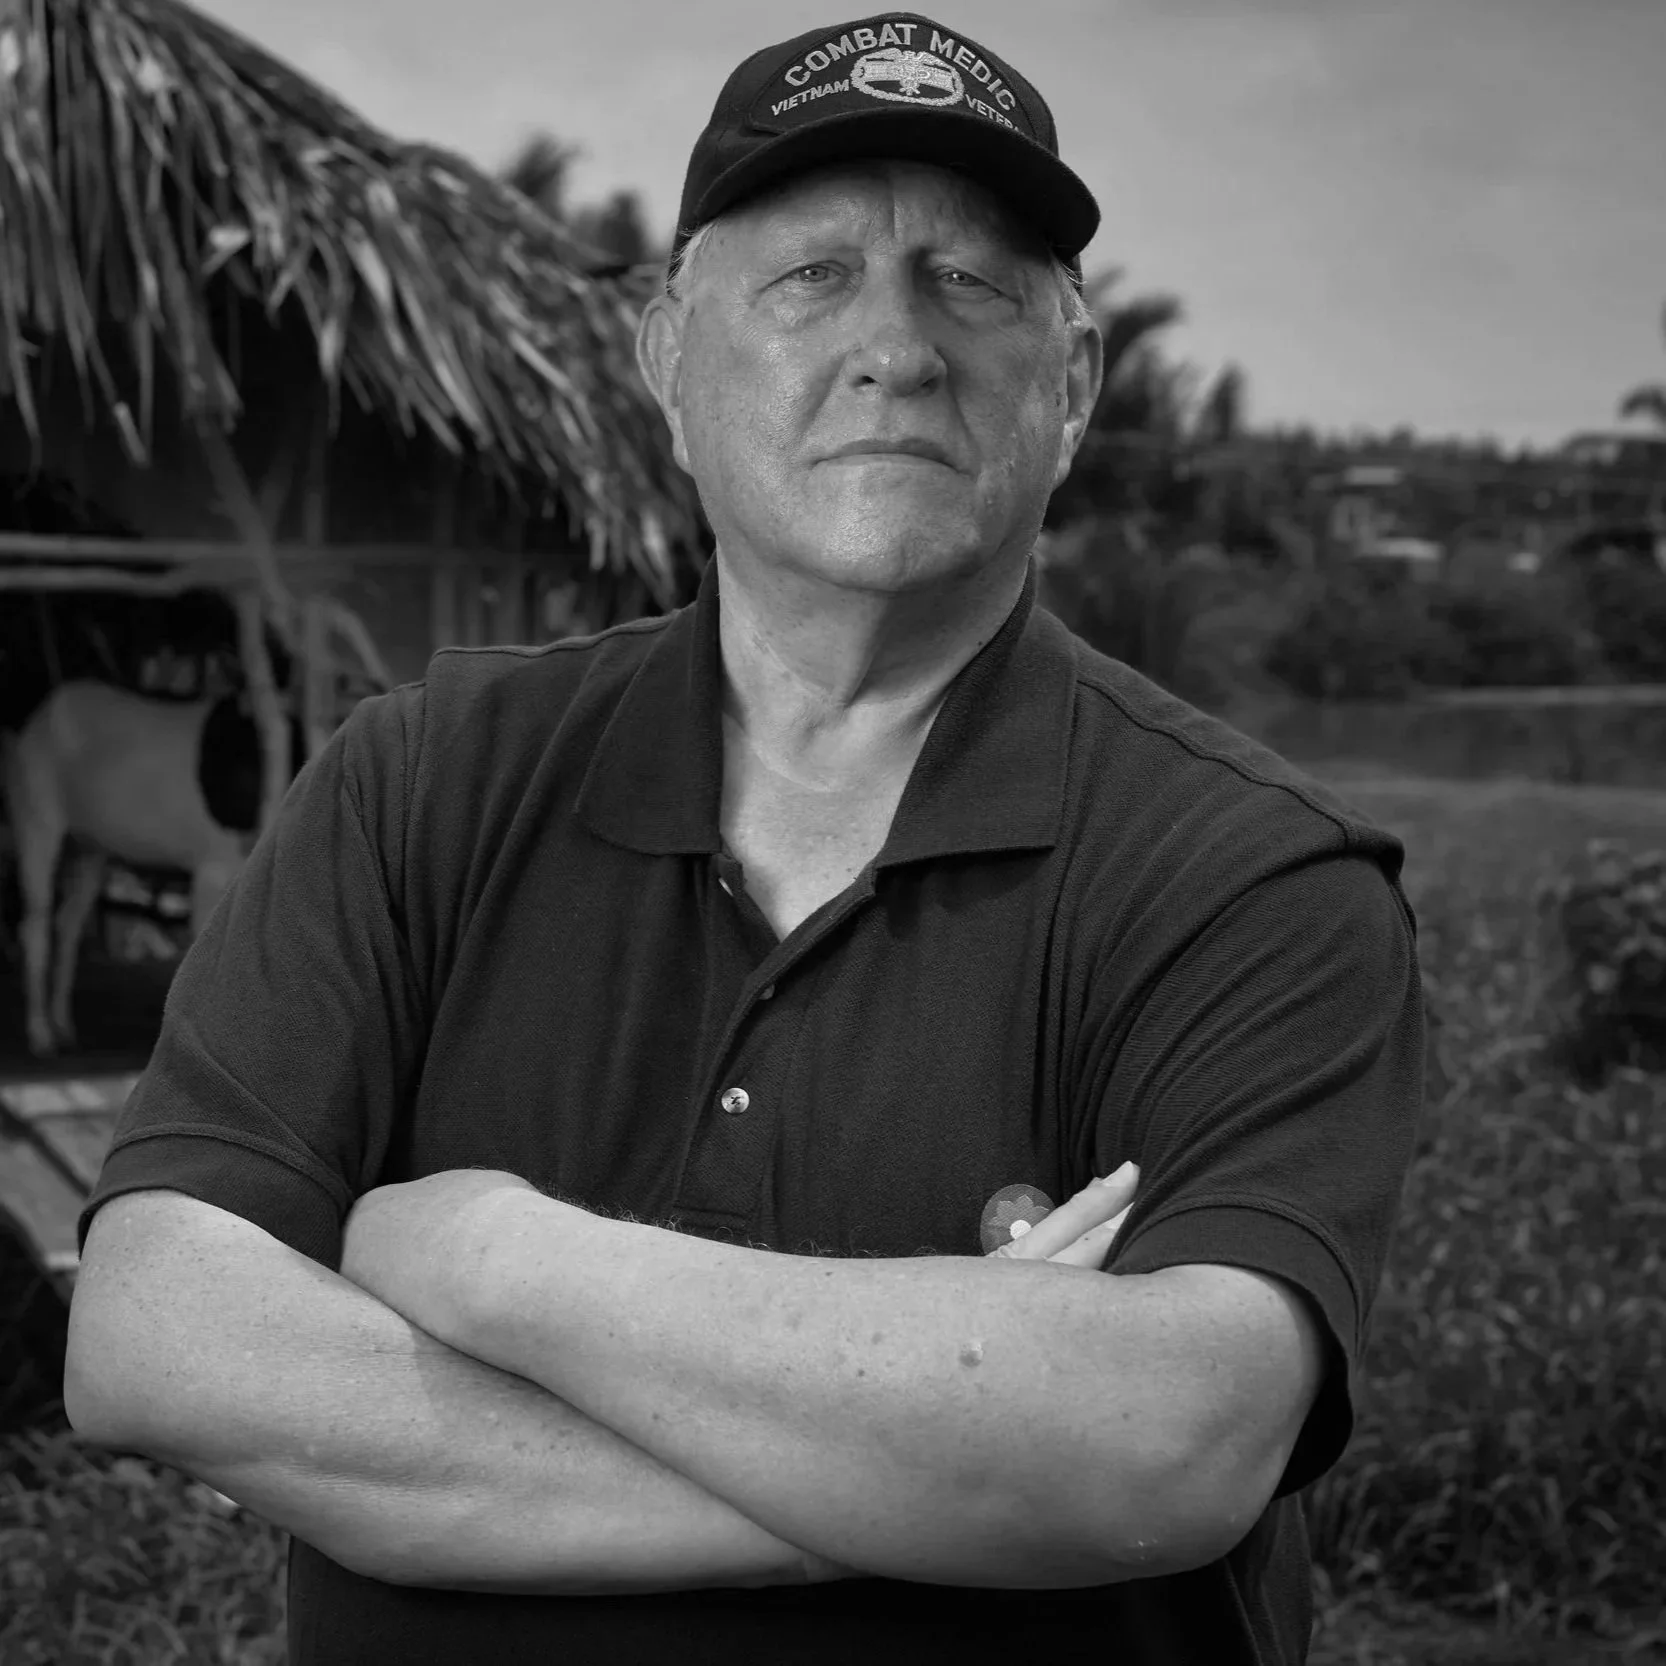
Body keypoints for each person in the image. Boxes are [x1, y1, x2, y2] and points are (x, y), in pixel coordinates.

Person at [65, 12, 1425, 1664]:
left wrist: (490, 1252)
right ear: (666, 354)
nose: (897, 346)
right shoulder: (423, 779)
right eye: (812, 277)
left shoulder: (1245, 871)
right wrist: (945, 1465)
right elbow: (154, 1332)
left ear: (1068, 385)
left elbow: (1165, 1441)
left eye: (970, 284)